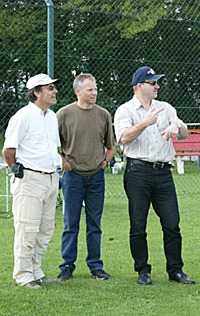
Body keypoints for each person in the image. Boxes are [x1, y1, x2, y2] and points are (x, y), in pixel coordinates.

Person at [114, 66, 195, 285]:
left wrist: (177, 126)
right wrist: (144, 123)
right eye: (153, 83)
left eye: (157, 82)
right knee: (138, 223)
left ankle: (176, 270)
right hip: (138, 171)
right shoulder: (125, 110)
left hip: (163, 173)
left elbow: (184, 133)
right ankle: (143, 270)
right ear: (139, 86)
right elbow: (123, 138)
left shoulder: (165, 108)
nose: (157, 86)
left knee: (172, 223)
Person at [3, 73, 62, 290]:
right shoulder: (23, 116)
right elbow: (8, 150)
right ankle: (23, 274)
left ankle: (36, 270)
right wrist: (17, 170)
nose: (55, 91)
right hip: (30, 178)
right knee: (27, 228)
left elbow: (53, 148)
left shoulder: (52, 117)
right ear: (36, 92)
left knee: (46, 229)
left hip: (51, 177)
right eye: (50, 88)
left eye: (54, 88)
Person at [56, 73, 115, 282]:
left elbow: (111, 146)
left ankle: (95, 266)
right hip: (73, 177)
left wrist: (105, 162)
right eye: (90, 89)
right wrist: (64, 162)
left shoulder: (103, 115)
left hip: (96, 177)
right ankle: (67, 265)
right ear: (78, 91)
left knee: (94, 224)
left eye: (95, 89)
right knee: (70, 224)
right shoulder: (64, 114)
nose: (94, 93)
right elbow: (53, 145)